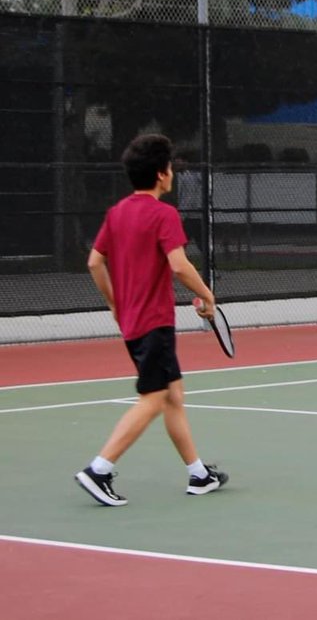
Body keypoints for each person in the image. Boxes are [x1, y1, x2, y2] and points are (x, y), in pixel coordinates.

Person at [75, 134, 228, 507]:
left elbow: (95, 262)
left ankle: (198, 474)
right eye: (171, 167)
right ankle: (99, 468)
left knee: (173, 395)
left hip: (133, 323)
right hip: (155, 322)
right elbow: (180, 266)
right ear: (162, 175)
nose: (173, 173)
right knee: (154, 396)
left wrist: (115, 303)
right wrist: (208, 295)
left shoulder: (117, 213)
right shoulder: (164, 214)